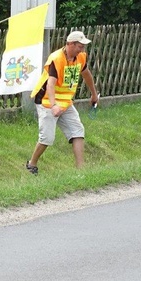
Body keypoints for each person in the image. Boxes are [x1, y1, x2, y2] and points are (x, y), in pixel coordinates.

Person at [26, 30, 99, 175]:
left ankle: (81, 170)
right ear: (70, 44)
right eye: (80, 46)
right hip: (46, 101)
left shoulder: (81, 57)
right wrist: (53, 106)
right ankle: (31, 164)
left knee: (78, 132)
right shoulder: (56, 58)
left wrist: (94, 94)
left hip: (65, 102)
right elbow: (50, 85)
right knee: (47, 138)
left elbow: (86, 74)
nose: (82, 49)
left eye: (83, 47)